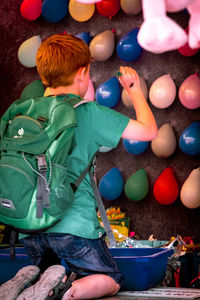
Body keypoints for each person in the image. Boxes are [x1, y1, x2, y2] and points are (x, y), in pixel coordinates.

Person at [8, 33, 157, 300]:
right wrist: (134, 90)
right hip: (74, 228)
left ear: (43, 75)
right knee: (110, 278)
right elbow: (149, 131)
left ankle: (26, 281)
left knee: (48, 271)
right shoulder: (88, 113)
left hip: (28, 227)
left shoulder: (20, 112)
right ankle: (64, 291)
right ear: (82, 72)